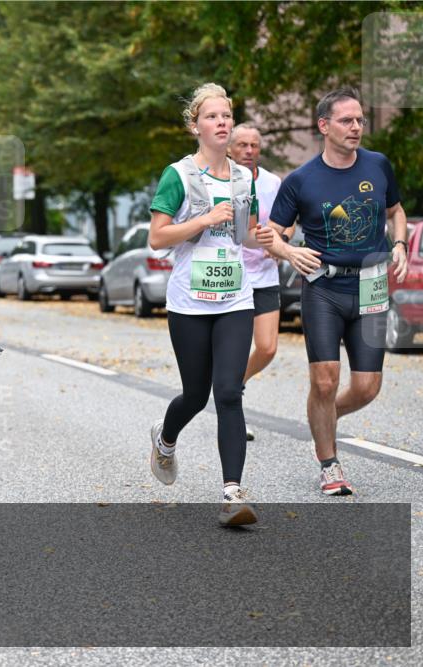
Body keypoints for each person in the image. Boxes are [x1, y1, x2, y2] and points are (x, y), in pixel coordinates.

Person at [260, 87, 408, 496]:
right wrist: (289, 251)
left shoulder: (378, 166)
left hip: (372, 284)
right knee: (324, 381)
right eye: (347, 120)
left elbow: (396, 213)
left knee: (367, 388)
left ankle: (321, 421)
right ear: (324, 126)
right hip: (323, 287)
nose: (356, 127)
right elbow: (272, 235)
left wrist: (400, 244)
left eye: (360, 120)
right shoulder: (301, 180)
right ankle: (329, 463)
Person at [147, 83, 267, 527]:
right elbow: (157, 239)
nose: (222, 123)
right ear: (195, 126)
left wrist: (272, 240)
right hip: (189, 302)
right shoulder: (178, 175)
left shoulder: (243, 177)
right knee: (196, 395)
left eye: (227, 116)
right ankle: (165, 439)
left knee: (229, 392)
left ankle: (232, 494)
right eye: (213, 117)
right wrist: (202, 219)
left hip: (236, 297)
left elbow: (245, 233)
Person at [229, 123, 285, 441]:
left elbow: (282, 221)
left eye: (254, 145)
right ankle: (234, 410)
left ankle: (235, 385)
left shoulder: (272, 182)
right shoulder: (221, 180)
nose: (249, 151)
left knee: (267, 347)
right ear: (229, 148)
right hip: (233, 276)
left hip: (264, 273)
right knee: (237, 348)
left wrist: (282, 241)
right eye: (243, 145)